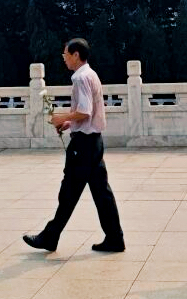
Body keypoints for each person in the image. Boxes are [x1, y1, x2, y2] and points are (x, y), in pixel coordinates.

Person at [23, 38, 125, 253]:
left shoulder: (80, 77)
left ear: (76, 54)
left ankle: (50, 237)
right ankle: (115, 238)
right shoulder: (91, 74)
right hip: (94, 141)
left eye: (66, 54)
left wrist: (61, 118)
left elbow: (85, 111)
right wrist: (70, 123)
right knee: (102, 193)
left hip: (84, 145)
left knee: (69, 191)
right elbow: (89, 114)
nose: (64, 58)